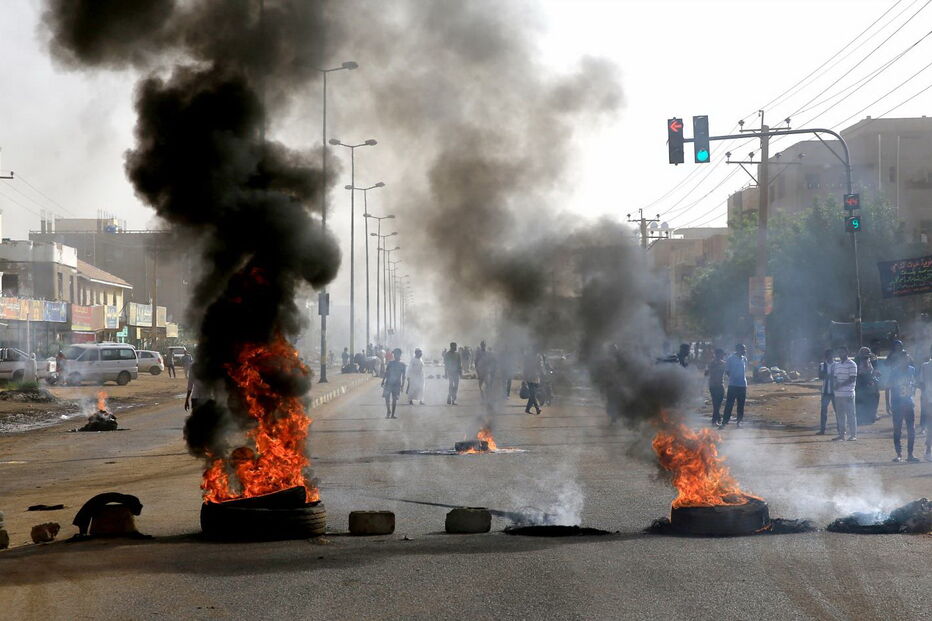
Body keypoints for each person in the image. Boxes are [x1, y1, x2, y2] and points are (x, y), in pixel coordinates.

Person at [888, 351, 919, 462]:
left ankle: (910, 454)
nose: (905, 360)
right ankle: (899, 454)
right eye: (903, 359)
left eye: (907, 358)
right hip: (897, 404)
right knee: (897, 429)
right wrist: (889, 404)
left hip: (908, 403)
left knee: (911, 429)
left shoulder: (912, 370)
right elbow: (889, 387)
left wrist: (912, 395)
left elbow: (913, 384)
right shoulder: (894, 372)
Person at [830, 346, 858, 442]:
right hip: (838, 394)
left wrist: (840, 385)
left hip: (848, 394)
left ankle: (853, 435)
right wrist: (834, 385)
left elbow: (852, 379)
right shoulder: (837, 365)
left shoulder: (852, 364)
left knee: (851, 415)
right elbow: (834, 377)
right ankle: (841, 435)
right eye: (839, 352)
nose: (840, 354)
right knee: (840, 416)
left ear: (847, 353)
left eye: (842, 352)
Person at [720, 344, 748, 428]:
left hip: (742, 385)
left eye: (745, 349)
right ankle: (724, 422)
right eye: (743, 349)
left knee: (741, 405)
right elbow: (727, 371)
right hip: (733, 385)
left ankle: (739, 422)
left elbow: (744, 371)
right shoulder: (730, 359)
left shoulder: (744, 359)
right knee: (729, 404)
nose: (744, 351)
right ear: (738, 349)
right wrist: (733, 378)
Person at [854, 346, 879, 425]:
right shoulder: (856, 361)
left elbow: (875, 370)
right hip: (860, 382)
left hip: (870, 381)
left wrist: (876, 373)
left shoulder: (872, 360)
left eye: (867, 354)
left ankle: (872, 415)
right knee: (859, 399)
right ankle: (859, 417)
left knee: (875, 396)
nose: (865, 356)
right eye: (864, 354)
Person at [381, 348, 406, 419]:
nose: (395, 355)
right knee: (387, 398)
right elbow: (386, 373)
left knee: (394, 399)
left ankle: (392, 414)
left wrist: (402, 386)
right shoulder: (390, 363)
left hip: (397, 384)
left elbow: (404, 376)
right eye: (394, 354)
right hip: (388, 382)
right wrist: (383, 381)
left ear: (400, 355)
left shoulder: (403, 365)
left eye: (397, 354)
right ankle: (388, 411)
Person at [706, 348, 726, 426]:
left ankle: (717, 419)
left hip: (721, 385)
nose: (722, 356)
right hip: (713, 386)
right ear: (717, 355)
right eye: (721, 354)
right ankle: (716, 419)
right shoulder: (711, 363)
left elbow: (727, 372)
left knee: (718, 403)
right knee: (715, 403)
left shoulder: (724, 363)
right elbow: (707, 373)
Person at [817, 349, 834, 435]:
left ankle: (840, 429)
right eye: (828, 355)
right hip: (826, 392)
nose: (830, 357)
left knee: (838, 410)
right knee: (823, 411)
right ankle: (822, 429)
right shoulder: (822, 365)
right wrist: (830, 376)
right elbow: (820, 376)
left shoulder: (837, 365)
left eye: (831, 355)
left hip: (834, 391)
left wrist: (827, 375)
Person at [523, 348, 544, 415]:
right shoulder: (538, 357)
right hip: (534, 378)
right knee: (533, 395)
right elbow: (541, 367)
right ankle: (537, 409)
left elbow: (525, 368)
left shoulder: (529, 356)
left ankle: (527, 409)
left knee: (533, 395)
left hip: (533, 378)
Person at [922, 345, 932, 462]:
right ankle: (928, 450)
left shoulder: (925, 366)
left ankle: (928, 450)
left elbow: (922, 383)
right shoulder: (925, 366)